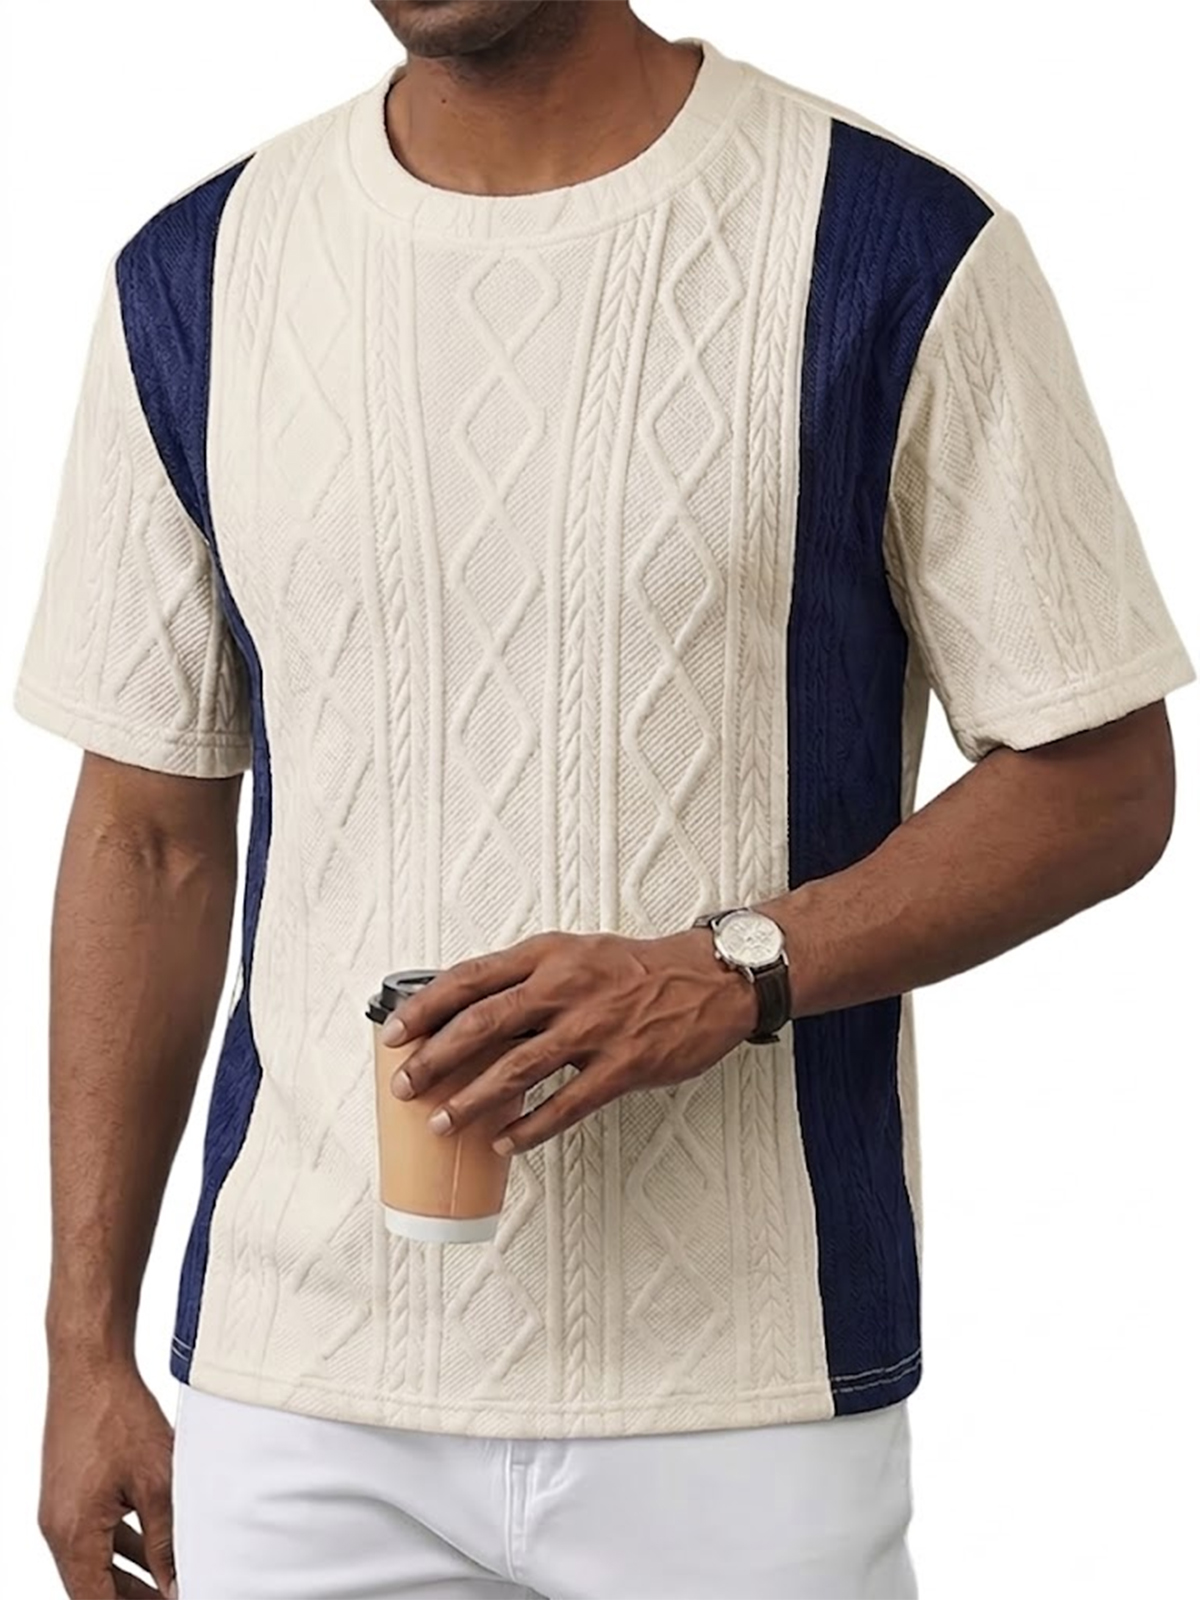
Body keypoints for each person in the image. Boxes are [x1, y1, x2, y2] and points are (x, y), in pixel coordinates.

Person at [15, 2, 1194, 1597]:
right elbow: (147, 842)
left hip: (746, 1393)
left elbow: (1103, 779)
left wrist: (731, 971)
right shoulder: (197, 278)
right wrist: (83, 1346)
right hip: (295, 1389)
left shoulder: (891, 248)